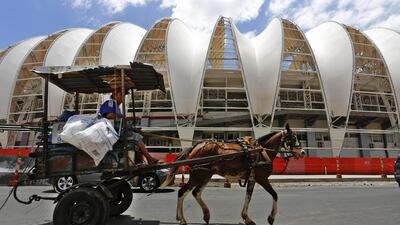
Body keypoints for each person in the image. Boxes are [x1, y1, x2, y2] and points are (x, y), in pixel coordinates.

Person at [98, 87, 158, 164]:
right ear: (114, 95)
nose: (123, 97)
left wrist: (132, 128)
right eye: (121, 95)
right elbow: (109, 115)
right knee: (137, 137)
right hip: (112, 132)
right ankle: (149, 159)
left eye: (124, 95)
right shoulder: (110, 103)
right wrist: (122, 117)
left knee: (137, 134)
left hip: (116, 130)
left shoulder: (116, 107)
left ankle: (138, 160)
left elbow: (120, 123)